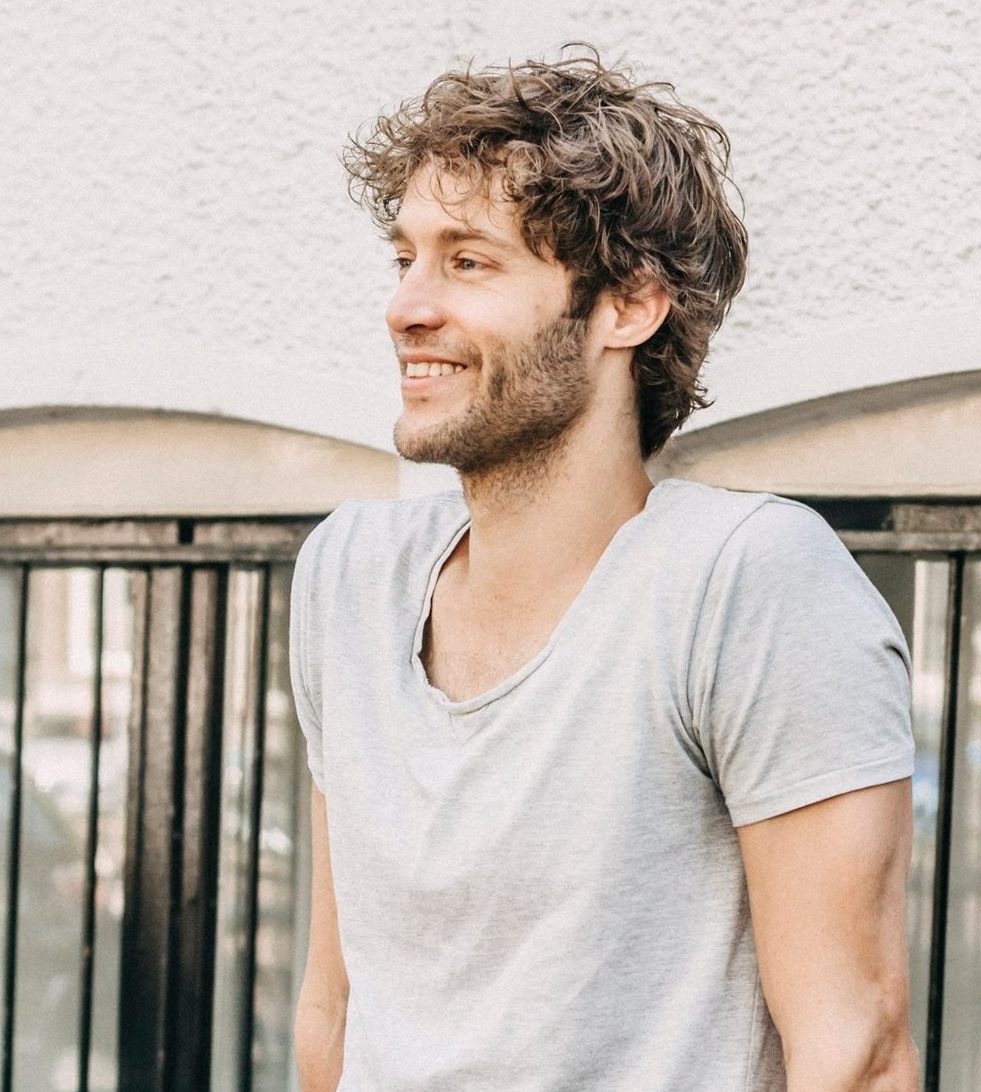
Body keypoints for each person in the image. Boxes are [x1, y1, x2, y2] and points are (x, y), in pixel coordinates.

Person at [290, 46, 918, 1092]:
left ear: (629, 305)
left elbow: (856, 1052)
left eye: (470, 262)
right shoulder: (348, 576)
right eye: (405, 259)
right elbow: (336, 1005)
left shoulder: (744, 584)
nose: (406, 307)